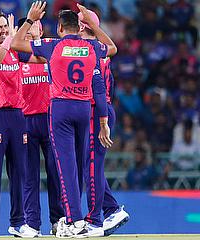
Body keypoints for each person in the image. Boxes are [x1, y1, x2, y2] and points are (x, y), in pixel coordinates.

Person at [11, 2, 115, 238]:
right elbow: (112, 48)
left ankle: (74, 221)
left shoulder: (52, 46)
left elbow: (16, 45)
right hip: (83, 109)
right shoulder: (91, 46)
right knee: (80, 166)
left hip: (61, 109)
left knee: (66, 168)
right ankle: (80, 218)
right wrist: (90, 22)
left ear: (59, 28)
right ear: (78, 28)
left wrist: (29, 19)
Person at [0, 9, 43, 238]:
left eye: (6, 27)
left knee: (19, 173)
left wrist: (54, 50)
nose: (4, 31)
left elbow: (40, 58)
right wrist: (11, 41)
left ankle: (17, 223)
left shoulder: (15, 51)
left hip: (17, 116)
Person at [78, 9, 130, 237]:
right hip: (95, 110)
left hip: (97, 111)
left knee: (91, 167)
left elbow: (113, 48)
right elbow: (113, 47)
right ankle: (112, 209)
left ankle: (95, 220)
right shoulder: (99, 49)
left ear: (82, 26)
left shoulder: (93, 49)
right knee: (90, 167)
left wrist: (102, 120)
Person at [16, 17, 63, 236]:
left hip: (51, 119)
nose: (30, 30)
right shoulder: (17, 56)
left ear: (42, 28)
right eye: (25, 28)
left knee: (56, 173)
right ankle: (32, 224)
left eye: (34, 25)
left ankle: (59, 221)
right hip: (26, 121)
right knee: (30, 176)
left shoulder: (52, 50)